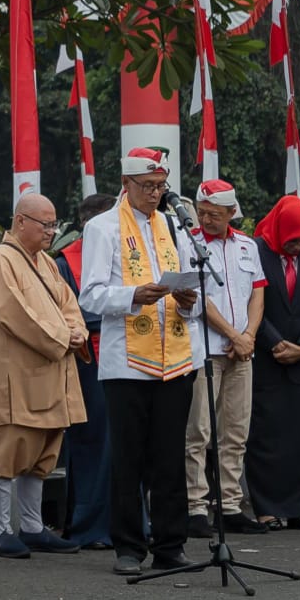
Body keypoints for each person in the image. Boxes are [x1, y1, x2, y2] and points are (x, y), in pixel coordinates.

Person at [78, 147, 201, 576]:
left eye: (160, 186)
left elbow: (196, 291)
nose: (154, 193)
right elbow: (89, 295)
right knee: (128, 456)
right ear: (126, 184)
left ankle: (171, 544)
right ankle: (128, 546)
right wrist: (134, 294)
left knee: (170, 455)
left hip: (176, 358)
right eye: (147, 186)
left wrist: (188, 301)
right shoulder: (102, 227)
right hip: (127, 363)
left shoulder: (173, 226)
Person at [0, 193, 87, 558]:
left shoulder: (46, 263)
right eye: (46, 224)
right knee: (9, 450)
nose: (52, 232)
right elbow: (13, 313)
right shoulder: (0, 260)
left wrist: (78, 332)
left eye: (54, 224)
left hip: (53, 370)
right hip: (18, 373)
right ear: (21, 221)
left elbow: (70, 304)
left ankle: (32, 526)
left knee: (43, 453)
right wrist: (62, 337)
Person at [183, 180, 268, 538]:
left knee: (235, 430)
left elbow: (257, 294)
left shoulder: (247, 246)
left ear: (232, 213)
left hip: (241, 351)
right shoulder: (191, 243)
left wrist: (248, 335)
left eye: (215, 215)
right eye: (203, 213)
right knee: (198, 431)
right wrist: (234, 335)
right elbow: (197, 298)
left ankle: (230, 504)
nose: (207, 220)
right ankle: (195, 505)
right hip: (207, 348)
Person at [246, 195, 300, 530]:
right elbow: (251, 302)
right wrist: (275, 342)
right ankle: (267, 508)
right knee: (266, 436)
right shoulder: (256, 251)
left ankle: (297, 508)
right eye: (292, 240)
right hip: (268, 356)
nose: (297, 247)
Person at [55, 193, 115, 549]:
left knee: (127, 443)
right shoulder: (65, 262)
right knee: (92, 443)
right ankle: (90, 525)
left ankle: (130, 521)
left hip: (130, 356)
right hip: (87, 358)